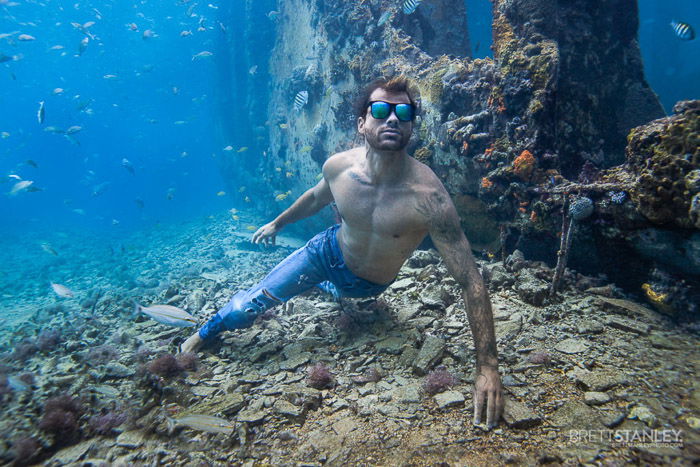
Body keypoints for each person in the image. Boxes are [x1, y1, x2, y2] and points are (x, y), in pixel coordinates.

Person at [181, 76, 504, 428]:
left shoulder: (429, 199)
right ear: (362, 123)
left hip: (367, 286)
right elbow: (316, 198)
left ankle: (319, 286)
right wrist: (278, 223)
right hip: (324, 252)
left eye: (404, 112)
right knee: (248, 308)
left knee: (335, 291)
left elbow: (471, 280)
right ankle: (202, 333)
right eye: (380, 110)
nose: (392, 118)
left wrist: (487, 368)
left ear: (412, 126)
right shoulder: (339, 167)